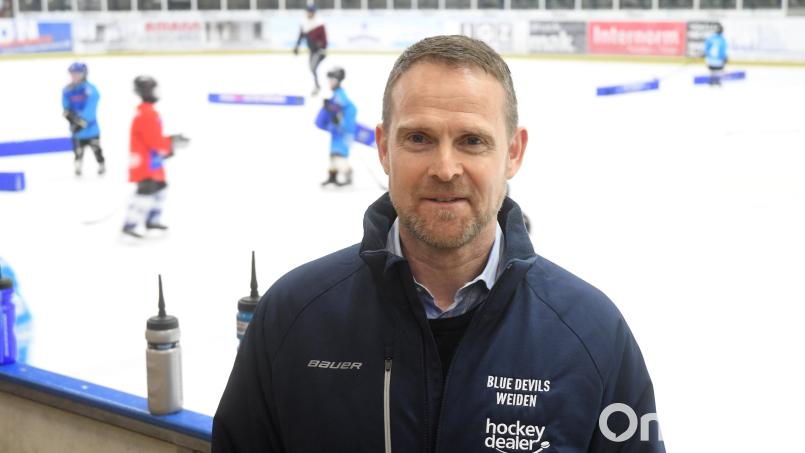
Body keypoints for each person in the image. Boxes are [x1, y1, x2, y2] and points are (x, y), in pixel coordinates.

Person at [213, 35, 664, 452]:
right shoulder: (291, 317)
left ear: (513, 152)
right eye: (419, 138)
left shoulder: (593, 334)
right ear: (384, 148)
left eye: (472, 141)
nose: (445, 168)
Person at [122, 76, 189, 239]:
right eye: (153, 89)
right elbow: (155, 142)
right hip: (145, 163)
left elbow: (154, 138)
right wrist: (170, 144)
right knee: (145, 192)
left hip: (151, 161)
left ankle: (152, 219)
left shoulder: (147, 111)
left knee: (160, 187)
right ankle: (130, 225)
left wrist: (170, 141)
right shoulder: (147, 114)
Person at [315, 67, 357, 187]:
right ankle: (332, 176)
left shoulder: (340, 95)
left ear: (337, 81)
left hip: (343, 130)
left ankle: (348, 174)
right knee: (333, 154)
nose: (329, 83)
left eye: (331, 80)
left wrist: (332, 109)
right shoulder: (336, 94)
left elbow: (342, 108)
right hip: (338, 130)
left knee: (339, 154)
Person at [62, 62, 105, 176]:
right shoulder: (67, 90)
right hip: (76, 129)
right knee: (77, 150)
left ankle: (101, 164)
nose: (74, 76)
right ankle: (78, 166)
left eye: (78, 73)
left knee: (96, 149)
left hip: (91, 128)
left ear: (84, 74)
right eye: (72, 73)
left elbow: (91, 108)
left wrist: (82, 122)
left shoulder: (90, 90)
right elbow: (66, 106)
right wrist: (69, 116)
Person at [292, 4, 327, 96]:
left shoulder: (319, 23)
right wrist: (297, 46)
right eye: (308, 12)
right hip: (312, 51)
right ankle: (317, 85)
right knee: (312, 69)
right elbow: (301, 35)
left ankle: (319, 86)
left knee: (313, 68)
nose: (309, 14)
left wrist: (322, 47)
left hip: (319, 51)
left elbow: (324, 38)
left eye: (311, 12)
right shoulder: (304, 23)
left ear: (314, 13)